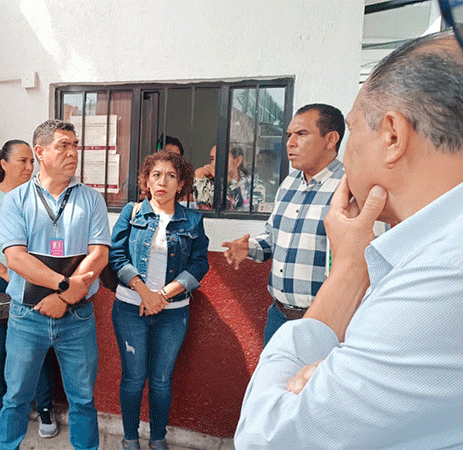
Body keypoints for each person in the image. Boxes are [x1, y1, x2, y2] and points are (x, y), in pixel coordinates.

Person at [235, 31, 463, 448]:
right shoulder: (288, 185)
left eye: (356, 130)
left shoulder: (442, 275)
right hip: (282, 311)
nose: (289, 143)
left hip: (323, 316)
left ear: (392, 136)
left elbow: (268, 437)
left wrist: (348, 270)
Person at [0, 119, 110, 450]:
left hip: (78, 318)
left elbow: (99, 254)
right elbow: (16, 258)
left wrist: (67, 297)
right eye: (63, 145)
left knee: (83, 400)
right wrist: (65, 286)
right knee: (16, 397)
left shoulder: (91, 199)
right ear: (40, 152)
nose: (72, 152)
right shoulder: (16, 200)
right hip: (26, 315)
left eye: (75, 145)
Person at [109, 151, 209, 450]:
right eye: (156, 175)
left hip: (172, 311)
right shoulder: (132, 212)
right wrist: (144, 293)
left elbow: (200, 264)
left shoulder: (192, 219)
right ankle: (129, 438)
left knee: (162, 380)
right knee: (133, 379)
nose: (162, 181)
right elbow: (116, 255)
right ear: (146, 180)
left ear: (181, 184)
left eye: (170, 176)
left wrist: (162, 296)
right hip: (130, 307)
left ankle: (157, 438)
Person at [222, 104, 345, 345]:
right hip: (279, 316)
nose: (290, 143)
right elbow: (273, 236)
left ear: (330, 139)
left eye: (301, 134)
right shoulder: (289, 183)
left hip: (324, 323)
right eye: (289, 135)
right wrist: (248, 248)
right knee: (270, 383)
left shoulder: (349, 187)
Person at [0, 140, 58, 442]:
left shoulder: (37, 197)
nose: (30, 167)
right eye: (22, 161)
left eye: (32, 161)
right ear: (3, 164)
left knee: (38, 346)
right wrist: (6, 271)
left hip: (34, 283)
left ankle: (44, 407)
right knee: (0, 350)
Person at [192, 145, 250, 210]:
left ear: (237, 161)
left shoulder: (251, 184)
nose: (214, 164)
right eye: (212, 159)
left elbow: (240, 209)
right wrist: (200, 179)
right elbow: (203, 209)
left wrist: (226, 182)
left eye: (221, 158)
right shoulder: (210, 184)